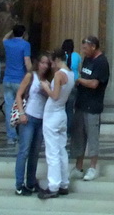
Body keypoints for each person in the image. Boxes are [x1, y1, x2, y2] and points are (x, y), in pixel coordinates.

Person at [70, 36, 110, 182]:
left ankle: (93, 167)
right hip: (81, 103)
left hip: (93, 105)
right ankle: (78, 167)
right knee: (78, 137)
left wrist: (79, 80)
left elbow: (94, 84)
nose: (83, 51)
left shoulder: (101, 62)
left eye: (86, 48)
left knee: (92, 137)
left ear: (93, 47)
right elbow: (84, 75)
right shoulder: (87, 59)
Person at [38, 50, 76, 200]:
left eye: (52, 62)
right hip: (62, 114)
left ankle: (53, 186)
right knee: (61, 150)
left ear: (57, 59)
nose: (51, 65)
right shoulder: (71, 74)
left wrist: (45, 86)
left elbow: (54, 95)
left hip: (53, 114)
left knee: (52, 152)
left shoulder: (59, 74)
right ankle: (64, 183)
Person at [13, 52, 51, 196]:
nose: (44, 65)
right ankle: (19, 184)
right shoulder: (31, 76)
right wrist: (22, 113)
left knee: (35, 153)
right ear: (38, 63)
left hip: (41, 119)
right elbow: (19, 94)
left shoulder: (47, 80)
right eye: (42, 62)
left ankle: (31, 182)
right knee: (24, 151)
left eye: (47, 63)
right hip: (28, 117)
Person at [2, 24, 32, 146]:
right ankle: (21, 134)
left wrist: (12, 31)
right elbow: (27, 61)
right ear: (24, 33)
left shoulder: (7, 43)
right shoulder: (25, 44)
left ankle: (11, 136)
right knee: (22, 107)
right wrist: (32, 74)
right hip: (19, 79)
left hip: (7, 79)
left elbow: (4, 38)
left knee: (9, 108)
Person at [62, 38, 82, 136]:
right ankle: (69, 131)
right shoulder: (77, 56)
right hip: (74, 84)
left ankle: (62, 128)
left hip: (63, 84)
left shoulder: (62, 57)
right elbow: (79, 70)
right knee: (70, 109)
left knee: (62, 108)